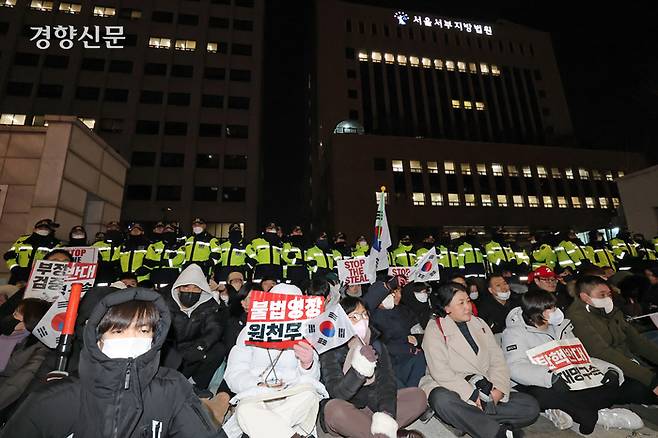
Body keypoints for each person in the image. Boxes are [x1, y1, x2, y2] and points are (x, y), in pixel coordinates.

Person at [0, 288, 219, 437]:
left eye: (143, 330)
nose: (132, 338)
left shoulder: (172, 388)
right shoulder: (53, 400)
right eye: (119, 330)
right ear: (96, 337)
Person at [502, 290, 642, 434]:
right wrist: (549, 377)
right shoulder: (514, 333)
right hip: (543, 381)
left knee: (610, 383)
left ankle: (575, 411)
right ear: (537, 312)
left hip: (571, 378)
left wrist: (609, 369)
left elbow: (581, 358)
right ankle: (591, 414)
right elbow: (515, 366)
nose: (556, 311)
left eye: (555, 306)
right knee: (543, 395)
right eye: (550, 308)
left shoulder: (562, 328)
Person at [421, 282, 539, 438]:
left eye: (468, 301)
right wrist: (473, 395)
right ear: (447, 308)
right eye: (461, 303)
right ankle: (496, 432)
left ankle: (464, 421)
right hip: (452, 388)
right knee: (442, 400)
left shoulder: (479, 323)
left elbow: (497, 360)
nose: (467, 307)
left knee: (530, 407)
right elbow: (441, 373)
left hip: (485, 387)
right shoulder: (434, 329)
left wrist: (498, 390)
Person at [224, 283, 328, 438]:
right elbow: (233, 373)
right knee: (245, 409)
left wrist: (308, 365)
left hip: (292, 394)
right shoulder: (248, 332)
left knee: (310, 396)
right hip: (257, 395)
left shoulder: (307, 333)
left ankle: (264, 428)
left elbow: (312, 379)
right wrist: (257, 384)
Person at [320, 296, 427, 438]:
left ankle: (377, 431)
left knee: (418, 396)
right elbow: (337, 393)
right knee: (334, 410)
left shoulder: (376, 344)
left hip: (374, 404)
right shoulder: (331, 349)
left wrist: (386, 414)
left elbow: (387, 382)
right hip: (349, 409)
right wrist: (359, 370)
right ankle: (389, 434)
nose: (362, 320)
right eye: (354, 317)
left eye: (364, 314)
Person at [567, 275, 658, 405]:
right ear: (585, 297)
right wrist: (650, 380)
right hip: (608, 373)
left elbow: (637, 342)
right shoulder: (577, 318)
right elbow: (602, 352)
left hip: (630, 364)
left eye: (609, 294)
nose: (608, 298)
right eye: (602, 295)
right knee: (644, 389)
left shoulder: (611, 312)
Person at [165, 264, 226, 393]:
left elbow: (214, 328)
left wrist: (201, 346)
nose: (190, 291)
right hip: (169, 354)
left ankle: (195, 385)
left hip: (194, 352)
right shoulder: (164, 304)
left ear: (202, 290)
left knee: (219, 349)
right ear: (178, 288)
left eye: (196, 288)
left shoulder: (209, 306)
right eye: (186, 286)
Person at [364, 276, 426, 388]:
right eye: (393, 293)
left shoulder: (405, 312)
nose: (398, 296)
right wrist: (388, 286)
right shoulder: (369, 315)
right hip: (386, 365)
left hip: (407, 360)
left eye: (399, 292)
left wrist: (416, 340)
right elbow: (368, 301)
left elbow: (420, 334)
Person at [0, 298, 50, 418]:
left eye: (17, 314)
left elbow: (16, 384)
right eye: (14, 312)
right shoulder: (7, 334)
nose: (12, 316)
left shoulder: (38, 348)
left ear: (30, 321)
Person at [0, 249, 73, 333]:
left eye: (66, 262)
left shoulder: (78, 290)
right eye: (55, 262)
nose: (61, 265)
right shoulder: (29, 289)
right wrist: (16, 323)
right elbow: (3, 315)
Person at [4, 218, 60, 284]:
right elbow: (9, 256)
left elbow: (57, 262)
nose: (44, 230)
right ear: (35, 229)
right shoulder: (22, 240)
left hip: (39, 277)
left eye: (47, 229)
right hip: (18, 276)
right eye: (42, 228)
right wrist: (15, 268)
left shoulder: (55, 244)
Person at [141, 222, 185, 288]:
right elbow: (149, 260)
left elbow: (179, 260)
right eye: (166, 230)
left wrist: (160, 262)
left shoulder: (179, 245)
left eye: (170, 229)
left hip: (172, 275)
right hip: (155, 275)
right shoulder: (154, 245)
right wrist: (164, 262)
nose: (168, 231)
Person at [92, 220, 123, 286]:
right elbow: (91, 257)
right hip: (102, 273)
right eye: (110, 228)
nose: (113, 229)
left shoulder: (124, 245)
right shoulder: (97, 244)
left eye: (116, 228)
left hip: (118, 273)